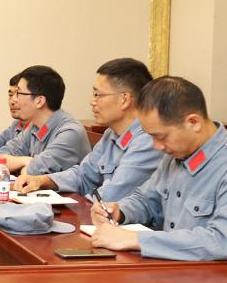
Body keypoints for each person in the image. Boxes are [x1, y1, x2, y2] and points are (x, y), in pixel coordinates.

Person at [91, 76, 227, 260]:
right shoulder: (176, 154)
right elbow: (147, 200)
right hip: (169, 268)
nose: (156, 146)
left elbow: (225, 241)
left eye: (161, 136)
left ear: (193, 122)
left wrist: (136, 239)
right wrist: (120, 211)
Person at [15, 58, 161, 200]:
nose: (92, 102)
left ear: (124, 99)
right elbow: (84, 174)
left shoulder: (147, 140)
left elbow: (112, 195)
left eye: (98, 95)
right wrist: (43, 180)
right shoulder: (111, 134)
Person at [0, 65, 90, 174]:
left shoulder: (70, 132)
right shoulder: (34, 127)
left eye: (19, 93)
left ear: (39, 101)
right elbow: (0, 160)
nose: (14, 99)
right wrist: (26, 161)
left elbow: (33, 172)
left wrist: (23, 165)